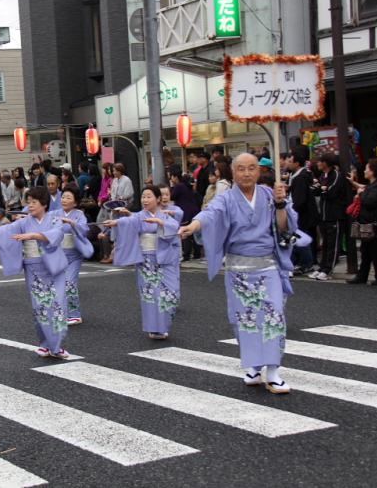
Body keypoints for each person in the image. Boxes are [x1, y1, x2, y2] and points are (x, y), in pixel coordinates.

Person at [179, 153, 297, 394]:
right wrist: (194, 225)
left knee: (274, 316)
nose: (246, 173)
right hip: (239, 270)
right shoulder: (226, 199)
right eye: (241, 168)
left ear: (259, 171)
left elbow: (284, 227)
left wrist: (281, 204)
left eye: (252, 168)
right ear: (233, 172)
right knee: (245, 320)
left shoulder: (269, 194)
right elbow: (210, 213)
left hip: (267, 266)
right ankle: (254, 366)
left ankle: (273, 371)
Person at [0, 186, 70, 359]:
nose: (30, 205)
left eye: (34, 202)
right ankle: (45, 344)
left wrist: (33, 235)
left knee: (57, 305)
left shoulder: (54, 220)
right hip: (34, 268)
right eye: (29, 202)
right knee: (40, 307)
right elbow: (5, 230)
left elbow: (57, 233)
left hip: (53, 269)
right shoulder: (24, 222)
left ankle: (56, 345)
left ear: (44, 204)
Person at [104, 186, 181, 340]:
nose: (145, 200)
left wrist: (160, 222)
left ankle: (163, 324)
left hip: (164, 259)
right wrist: (116, 222)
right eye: (143, 197)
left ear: (158, 199)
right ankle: (155, 328)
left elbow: (174, 227)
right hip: (146, 260)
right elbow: (128, 221)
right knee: (150, 294)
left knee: (171, 294)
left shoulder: (165, 216)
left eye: (149, 196)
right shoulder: (139, 216)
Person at [50, 187, 92, 325]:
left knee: (69, 283)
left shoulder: (79, 214)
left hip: (74, 255)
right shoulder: (54, 213)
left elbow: (84, 230)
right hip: (58, 254)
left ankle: (74, 314)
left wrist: (72, 223)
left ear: (75, 202)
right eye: (63, 197)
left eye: (68, 197)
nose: (64, 200)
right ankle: (61, 312)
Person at [347, 159, 377, 286]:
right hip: (368, 223)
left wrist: (360, 194)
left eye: (367, 169)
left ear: (373, 171)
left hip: (376, 224)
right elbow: (364, 189)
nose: (365, 171)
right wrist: (354, 184)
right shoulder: (373, 185)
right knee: (365, 252)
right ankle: (362, 276)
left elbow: (370, 201)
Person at [311, 153, 347, 281]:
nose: (318, 163)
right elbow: (314, 190)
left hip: (335, 215)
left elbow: (330, 192)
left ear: (326, 163)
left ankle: (328, 270)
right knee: (325, 244)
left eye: (320, 161)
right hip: (324, 215)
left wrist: (322, 189)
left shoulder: (336, 175)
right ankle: (322, 267)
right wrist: (322, 188)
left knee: (333, 244)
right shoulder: (322, 175)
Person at [286, 151, 318, 275]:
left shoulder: (301, 177)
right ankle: (300, 262)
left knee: (300, 238)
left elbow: (300, 199)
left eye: (290, 161)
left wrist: (291, 210)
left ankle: (306, 263)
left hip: (302, 214)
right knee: (298, 239)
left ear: (297, 163)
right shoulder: (298, 175)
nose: (288, 163)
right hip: (301, 213)